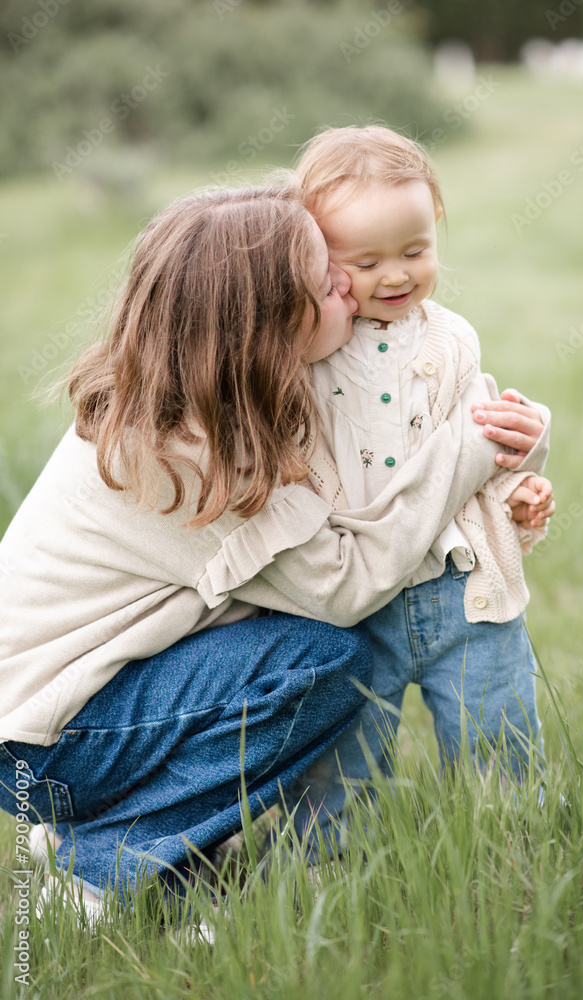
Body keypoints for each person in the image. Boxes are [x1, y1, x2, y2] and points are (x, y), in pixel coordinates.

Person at [0, 185, 547, 924]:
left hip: (63, 722)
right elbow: (347, 584)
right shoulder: (189, 458)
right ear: (266, 329)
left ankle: (119, 838)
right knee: (322, 664)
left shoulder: (195, 396)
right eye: (327, 283)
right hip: (41, 748)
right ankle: (97, 869)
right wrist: (471, 449)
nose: (351, 289)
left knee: (291, 657)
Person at [283, 126, 554, 855]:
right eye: (364, 261)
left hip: (460, 590)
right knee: (339, 763)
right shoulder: (309, 352)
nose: (394, 275)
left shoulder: (451, 341)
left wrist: (520, 475)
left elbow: (482, 438)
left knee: (497, 732)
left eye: (414, 250)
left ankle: (510, 856)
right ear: (316, 260)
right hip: (353, 601)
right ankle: (327, 871)